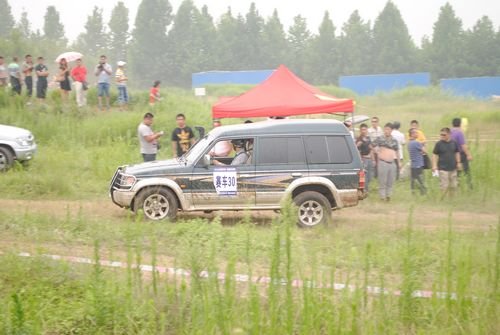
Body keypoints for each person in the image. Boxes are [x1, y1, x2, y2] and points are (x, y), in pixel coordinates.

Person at [373, 123, 399, 201]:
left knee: (390, 181)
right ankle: (382, 197)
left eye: (388, 129)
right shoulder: (380, 138)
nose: (387, 131)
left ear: (391, 130)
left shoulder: (394, 140)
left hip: (392, 163)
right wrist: (377, 152)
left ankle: (388, 196)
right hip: (383, 162)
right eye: (385, 129)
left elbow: (397, 151)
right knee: (382, 181)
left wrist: (399, 162)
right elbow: (371, 145)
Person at [432, 127, 461, 198]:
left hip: (453, 168)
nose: (442, 136)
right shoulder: (438, 144)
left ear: (449, 134)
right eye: (441, 135)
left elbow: (457, 152)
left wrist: (458, 162)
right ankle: (443, 200)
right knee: (444, 186)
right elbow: (434, 155)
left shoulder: (454, 143)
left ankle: (452, 200)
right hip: (442, 168)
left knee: (453, 186)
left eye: (444, 135)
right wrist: (434, 165)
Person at [450, 117, 473, 190]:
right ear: (460, 124)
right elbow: (463, 145)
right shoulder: (459, 132)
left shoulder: (449, 132)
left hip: (451, 154)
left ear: (452, 124)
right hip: (461, 154)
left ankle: (456, 187)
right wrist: (469, 155)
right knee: (466, 171)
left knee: (456, 172)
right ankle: (470, 187)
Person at [407, 128, 427, 195]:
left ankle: (413, 192)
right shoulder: (416, 143)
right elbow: (425, 151)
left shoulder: (409, 143)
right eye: (415, 132)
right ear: (412, 134)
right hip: (418, 164)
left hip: (413, 164)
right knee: (420, 180)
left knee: (413, 180)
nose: (417, 133)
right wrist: (423, 144)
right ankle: (423, 192)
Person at [356, 123, 374, 194]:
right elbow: (357, 150)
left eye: (365, 129)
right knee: (364, 177)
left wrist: (373, 159)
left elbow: (371, 148)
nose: (363, 131)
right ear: (360, 130)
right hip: (363, 159)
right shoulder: (358, 139)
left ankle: (366, 188)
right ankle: (364, 191)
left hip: (369, 159)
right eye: (362, 130)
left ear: (367, 130)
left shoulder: (368, 138)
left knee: (369, 176)